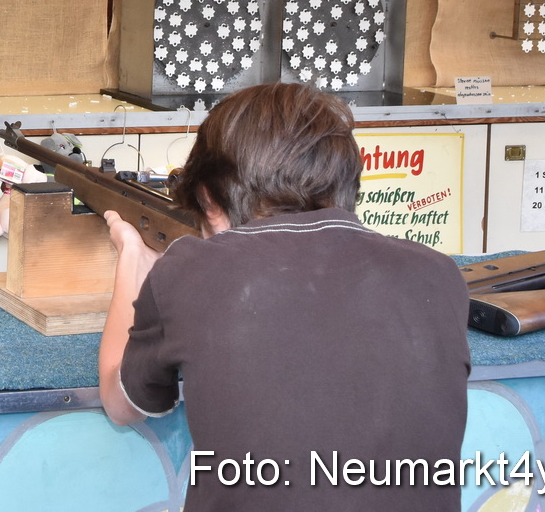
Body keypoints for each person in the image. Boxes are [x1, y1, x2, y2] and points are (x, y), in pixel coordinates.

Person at [97, 83, 470, 511]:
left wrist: (132, 258)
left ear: (209, 201)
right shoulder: (438, 273)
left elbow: (121, 402)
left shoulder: (189, 268)